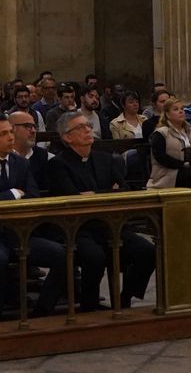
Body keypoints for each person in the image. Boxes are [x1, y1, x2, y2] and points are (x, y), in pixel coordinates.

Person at [44, 110, 156, 309]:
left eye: (88, 125)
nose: (88, 130)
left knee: (147, 252)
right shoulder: (58, 164)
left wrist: (95, 194)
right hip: (79, 229)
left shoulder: (106, 159)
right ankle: (89, 306)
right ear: (66, 137)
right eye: (80, 127)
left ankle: (125, 298)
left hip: (110, 224)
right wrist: (105, 193)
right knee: (94, 257)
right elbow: (72, 199)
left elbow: (124, 190)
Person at [0, 113, 69, 319]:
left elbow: (32, 195)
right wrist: (13, 193)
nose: (10, 137)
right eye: (3, 134)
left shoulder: (21, 163)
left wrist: (6, 197)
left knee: (61, 254)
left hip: (20, 232)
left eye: (11, 132)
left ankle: (43, 309)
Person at [149, 96, 191, 189]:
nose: (181, 111)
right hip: (168, 173)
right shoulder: (161, 133)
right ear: (167, 114)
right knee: (190, 177)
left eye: (182, 109)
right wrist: (182, 164)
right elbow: (161, 157)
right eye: (176, 109)